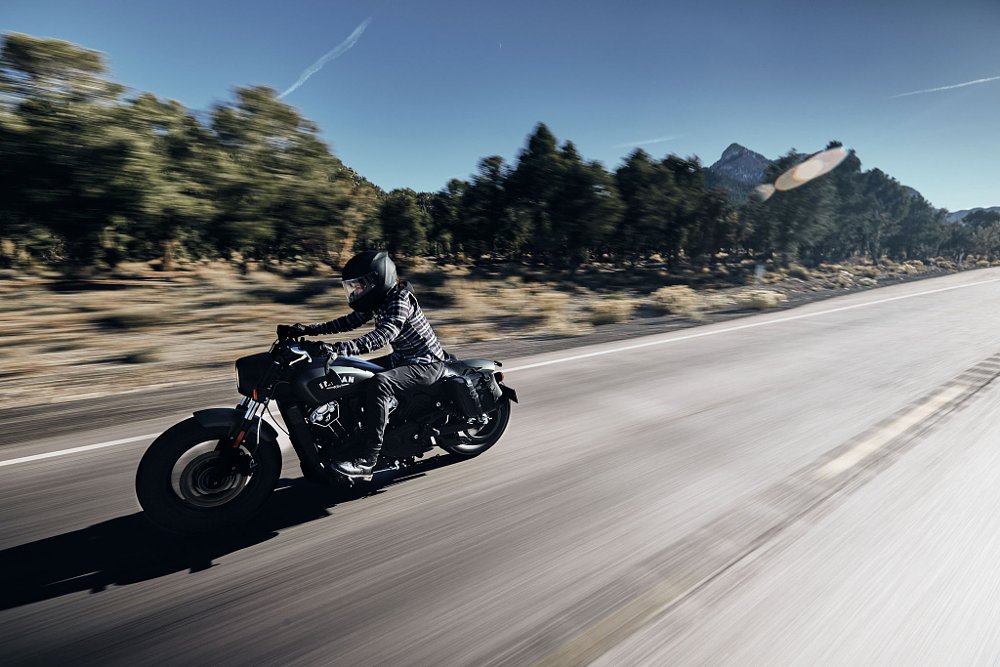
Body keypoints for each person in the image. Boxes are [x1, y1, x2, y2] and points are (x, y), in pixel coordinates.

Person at [279, 251, 447, 479]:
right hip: (402, 360)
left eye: (359, 286)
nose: (356, 291)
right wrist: (307, 330)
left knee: (379, 384)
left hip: (426, 363)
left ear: (379, 280)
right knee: (352, 370)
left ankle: (367, 460)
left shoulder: (400, 299)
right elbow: (347, 322)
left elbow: (383, 335)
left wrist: (338, 349)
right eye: (353, 286)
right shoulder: (378, 299)